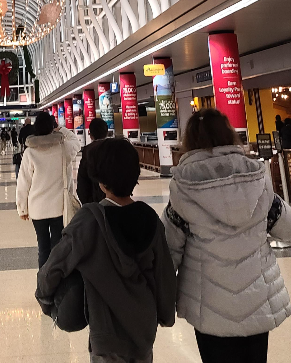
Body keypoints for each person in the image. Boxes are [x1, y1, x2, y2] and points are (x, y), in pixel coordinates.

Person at [162, 109, 291, 363]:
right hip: (257, 297)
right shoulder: (257, 176)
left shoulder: (182, 187)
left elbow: (169, 248)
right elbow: (286, 228)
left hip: (208, 302)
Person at [36, 137, 176, 363]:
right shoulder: (149, 218)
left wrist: (46, 300)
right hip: (144, 327)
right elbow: (164, 274)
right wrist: (166, 313)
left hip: (106, 332)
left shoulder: (90, 220)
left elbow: (54, 266)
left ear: (101, 183)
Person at [16, 111, 81, 268]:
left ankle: (43, 278)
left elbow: (23, 182)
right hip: (59, 207)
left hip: (37, 208)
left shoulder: (29, 152)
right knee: (57, 247)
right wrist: (61, 129)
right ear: (52, 127)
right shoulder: (63, 148)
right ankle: (56, 278)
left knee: (43, 248)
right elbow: (76, 141)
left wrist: (22, 208)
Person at [77, 117, 109, 204]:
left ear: (90, 134)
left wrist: (86, 202)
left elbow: (82, 182)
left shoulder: (88, 151)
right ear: (107, 132)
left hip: (93, 201)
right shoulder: (114, 149)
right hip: (114, 200)